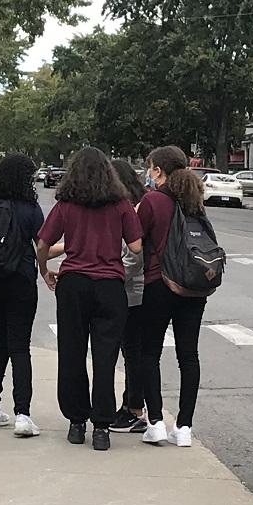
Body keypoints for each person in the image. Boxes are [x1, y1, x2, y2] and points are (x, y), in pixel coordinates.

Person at [36, 147, 143, 451]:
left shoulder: (66, 205)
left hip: (73, 284)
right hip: (110, 286)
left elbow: (43, 243)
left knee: (71, 353)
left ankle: (76, 421)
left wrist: (45, 270)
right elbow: (136, 246)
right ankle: (102, 427)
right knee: (106, 358)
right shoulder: (121, 205)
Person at [0, 153, 54, 437]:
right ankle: (22, 414)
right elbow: (41, 246)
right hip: (19, 280)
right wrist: (43, 269)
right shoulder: (29, 208)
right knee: (19, 346)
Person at [138, 145, 215, 448]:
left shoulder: (152, 201)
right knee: (189, 355)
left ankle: (155, 421)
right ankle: (184, 427)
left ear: (158, 170)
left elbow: (134, 240)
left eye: (150, 167)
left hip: (159, 282)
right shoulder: (194, 201)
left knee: (149, 352)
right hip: (194, 287)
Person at [109, 159, 148, 433]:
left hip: (135, 291)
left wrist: (110, 275)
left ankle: (135, 408)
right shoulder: (133, 205)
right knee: (131, 351)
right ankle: (129, 404)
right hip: (132, 290)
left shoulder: (133, 209)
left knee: (134, 352)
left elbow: (134, 255)